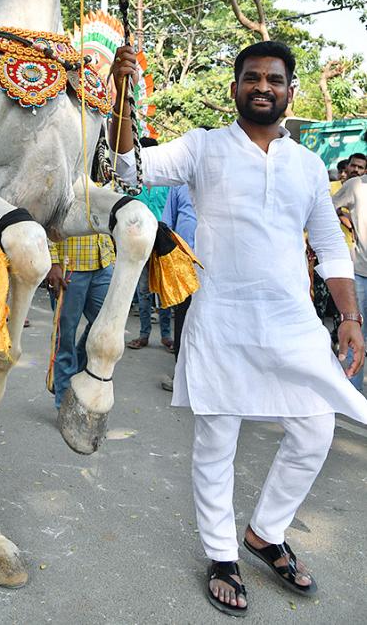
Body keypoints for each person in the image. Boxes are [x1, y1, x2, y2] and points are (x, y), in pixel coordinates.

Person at [110, 39, 367, 617]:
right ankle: (223, 553)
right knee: (216, 443)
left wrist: (349, 318)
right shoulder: (203, 149)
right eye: (252, 78)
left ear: (289, 91)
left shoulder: (305, 165)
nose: (262, 88)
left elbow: (328, 244)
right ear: (235, 88)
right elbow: (127, 165)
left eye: (274, 80)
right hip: (221, 317)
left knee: (315, 430)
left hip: (292, 321)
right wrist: (121, 94)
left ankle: (266, 534)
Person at [47, 232, 115, 412]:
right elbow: (45, 221)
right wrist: (53, 262)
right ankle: (64, 403)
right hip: (70, 267)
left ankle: (71, 374)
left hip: (103, 264)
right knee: (65, 336)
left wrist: (112, 256)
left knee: (103, 328)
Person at [127, 140, 173, 349]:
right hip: (140, 243)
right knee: (143, 291)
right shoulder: (131, 185)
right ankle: (144, 334)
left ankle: (166, 335)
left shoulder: (169, 183)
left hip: (164, 243)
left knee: (163, 291)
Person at [159, 183, 198, 391]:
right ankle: (181, 376)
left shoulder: (225, 178)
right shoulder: (179, 186)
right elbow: (167, 224)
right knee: (183, 320)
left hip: (217, 266)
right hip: (185, 266)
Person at [332, 170, 367, 392]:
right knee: (357, 333)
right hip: (360, 271)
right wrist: (345, 222)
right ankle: (353, 393)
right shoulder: (356, 186)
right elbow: (325, 207)